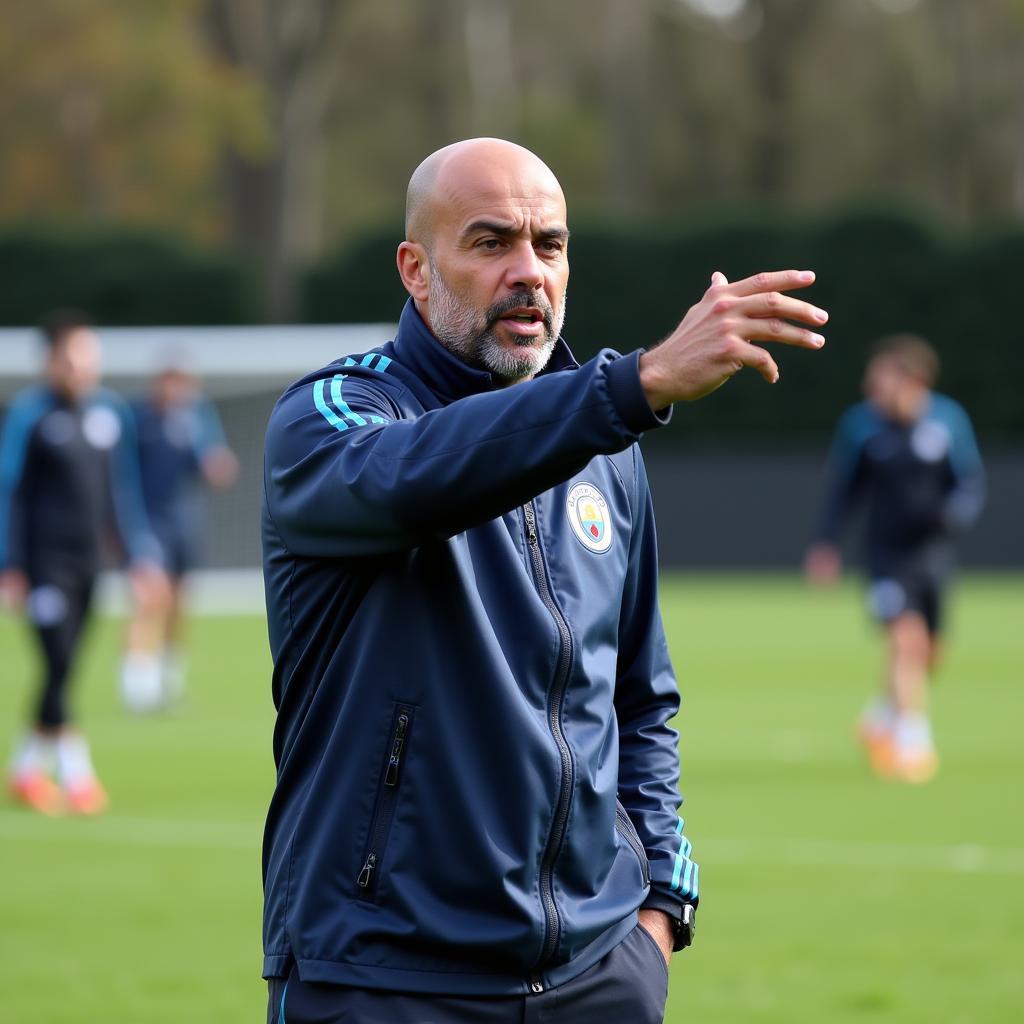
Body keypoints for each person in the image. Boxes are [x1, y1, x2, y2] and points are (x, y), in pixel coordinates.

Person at [261, 138, 827, 1023]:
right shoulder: (333, 417)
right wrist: (630, 389)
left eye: (549, 245)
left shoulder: (605, 452)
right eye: (491, 244)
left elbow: (640, 699)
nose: (530, 272)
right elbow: (414, 476)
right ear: (415, 268)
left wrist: (660, 911)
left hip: (598, 978)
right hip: (386, 981)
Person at [0, 312, 166, 815]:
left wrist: (140, 556)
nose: (81, 367)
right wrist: (10, 565)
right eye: (72, 357)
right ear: (52, 361)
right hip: (43, 565)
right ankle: (78, 777)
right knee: (57, 664)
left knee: (65, 666)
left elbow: (123, 492)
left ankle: (26, 772)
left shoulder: (110, 414)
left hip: (89, 563)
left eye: (88, 357)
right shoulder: (30, 416)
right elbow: (11, 493)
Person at [805, 334, 985, 783]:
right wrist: (826, 543)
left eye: (881, 374)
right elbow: (842, 491)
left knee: (930, 652)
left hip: (932, 555)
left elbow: (969, 483)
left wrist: (952, 516)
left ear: (912, 378)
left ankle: (881, 716)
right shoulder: (861, 426)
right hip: (885, 556)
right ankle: (913, 742)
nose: (872, 383)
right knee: (905, 641)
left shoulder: (947, 420)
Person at [120, 359, 238, 712]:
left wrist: (216, 465)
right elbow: (120, 473)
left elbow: (211, 458)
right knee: (148, 597)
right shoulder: (136, 418)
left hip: (184, 520)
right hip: (146, 520)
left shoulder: (196, 415)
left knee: (178, 601)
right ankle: (136, 687)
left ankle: (166, 680)